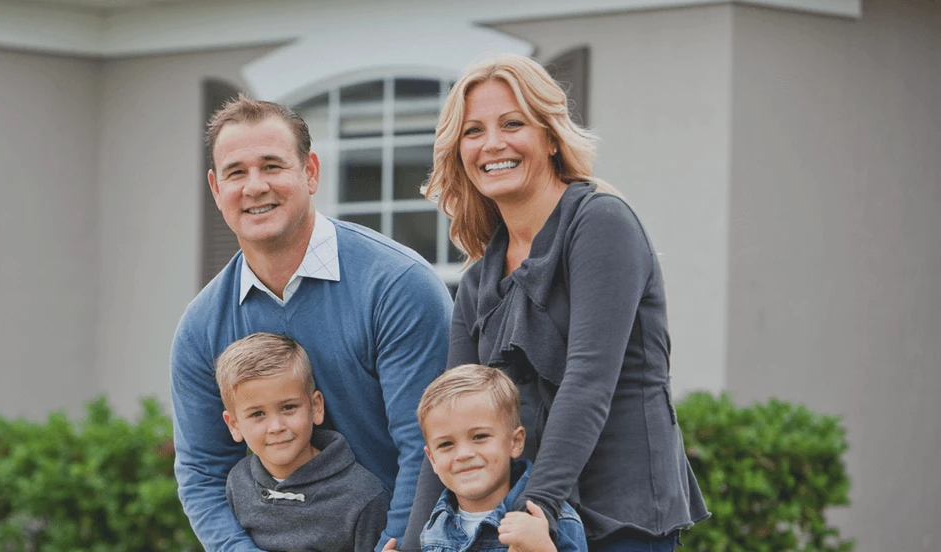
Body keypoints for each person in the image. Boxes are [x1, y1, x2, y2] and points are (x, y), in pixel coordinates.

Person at [401, 54, 709, 552]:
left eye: (512, 123)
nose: (493, 143)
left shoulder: (600, 224)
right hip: (527, 520)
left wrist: (537, 510)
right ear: (459, 152)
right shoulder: (479, 277)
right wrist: (416, 542)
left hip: (617, 513)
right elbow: (447, 414)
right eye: (473, 131)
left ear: (548, 136)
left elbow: (588, 379)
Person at [172, 94, 453, 551]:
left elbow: (426, 451)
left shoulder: (398, 287)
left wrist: (398, 545)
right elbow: (203, 473)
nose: (255, 186)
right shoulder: (202, 327)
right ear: (215, 188)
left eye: (272, 165)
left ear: (311, 171)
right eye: (236, 172)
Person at [216, 332, 390, 552]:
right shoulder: (238, 482)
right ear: (234, 424)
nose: (276, 426)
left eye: (288, 407)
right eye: (257, 414)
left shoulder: (364, 496)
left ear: (316, 407)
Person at [388, 364, 586, 552]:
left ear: (515, 442)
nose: (464, 454)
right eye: (446, 444)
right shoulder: (435, 526)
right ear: (432, 459)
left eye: (480, 437)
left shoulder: (549, 521)